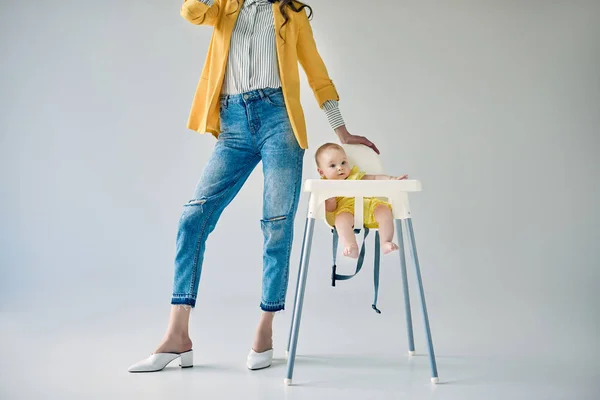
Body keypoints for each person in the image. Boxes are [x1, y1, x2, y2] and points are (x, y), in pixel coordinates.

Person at [128, 0, 379, 373]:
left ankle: (266, 327)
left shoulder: (290, 16)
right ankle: (177, 336)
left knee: (276, 225)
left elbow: (317, 73)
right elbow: (191, 13)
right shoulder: (225, 6)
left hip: (279, 120)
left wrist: (341, 129)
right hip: (232, 122)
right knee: (192, 218)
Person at [315, 143, 408, 258]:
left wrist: (392, 179)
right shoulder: (327, 186)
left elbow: (374, 178)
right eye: (333, 165)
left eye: (343, 163)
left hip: (368, 205)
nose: (340, 167)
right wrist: (330, 200)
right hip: (346, 210)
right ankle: (351, 246)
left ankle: (385, 242)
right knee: (340, 221)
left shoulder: (355, 176)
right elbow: (330, 209)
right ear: (321, 172)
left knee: (384, 211)